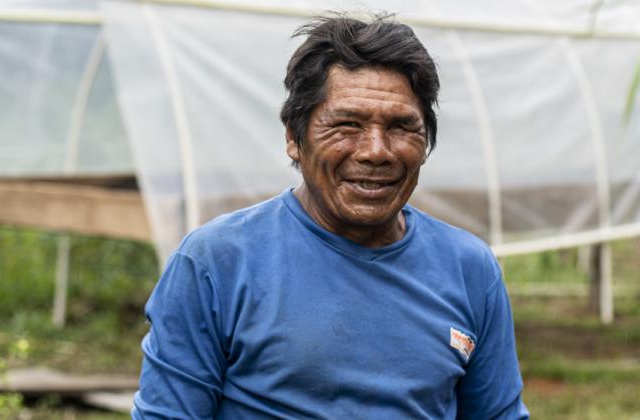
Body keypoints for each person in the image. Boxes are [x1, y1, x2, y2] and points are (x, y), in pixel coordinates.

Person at [133, 13, 529, 419]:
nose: (376, 150)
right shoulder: (217, 263)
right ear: (293, 136)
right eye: (346, 125)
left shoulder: (469, 268)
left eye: (401, 127)